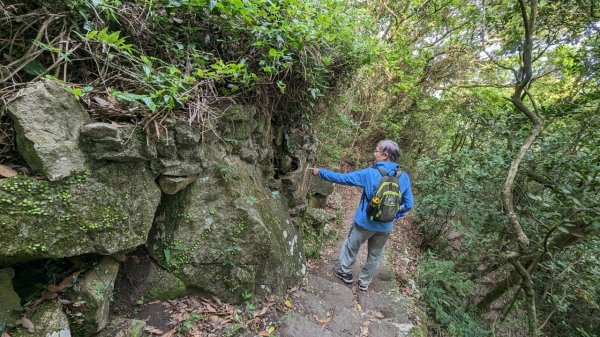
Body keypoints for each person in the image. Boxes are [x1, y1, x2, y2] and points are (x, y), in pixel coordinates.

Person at [310, 139, 414, 291]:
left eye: (376, 151)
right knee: (375, 255)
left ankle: (345, 273)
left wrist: (320, 172)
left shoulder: (370, 173)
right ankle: (364, 283)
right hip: (385, 226)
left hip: (365, 221)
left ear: (384, 155)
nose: (374, 153)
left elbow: (342, 178)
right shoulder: (403, 177)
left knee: (351, 246)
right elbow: (409, 204)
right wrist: (393, 215)